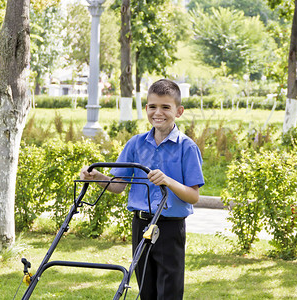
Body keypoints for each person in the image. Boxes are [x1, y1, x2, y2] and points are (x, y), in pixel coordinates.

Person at [80, 79, 204, 300]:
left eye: (166, 107)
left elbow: (193, 196)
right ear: (146, 108)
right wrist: (96, 177)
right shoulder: (135, 144)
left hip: (170, 227)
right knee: (145, 289)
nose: (158, 112)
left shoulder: (187, 147)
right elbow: (118, 185)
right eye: (153, 106)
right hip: (141, 224)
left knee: (169, 291)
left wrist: (168, 181)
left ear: (179, 111)